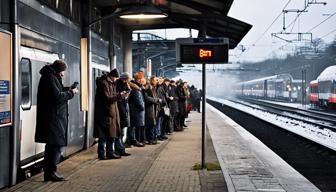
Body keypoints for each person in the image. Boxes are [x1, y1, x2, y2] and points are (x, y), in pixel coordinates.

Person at [35, 60, 78, 182]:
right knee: (56, 145)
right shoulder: (50, 78)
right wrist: (71, 93)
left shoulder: (51, 77)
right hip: (53, 118)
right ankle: (50, 173)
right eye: (63, 71)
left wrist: (68, 88)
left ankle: (49, 172)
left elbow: (56, 92)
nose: (63, 74)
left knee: (52, 145)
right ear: (58, 70)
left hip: (54, 117)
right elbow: (57, 97)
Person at [93, 68, 129, 160]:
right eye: (116, 78)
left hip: (111, 113)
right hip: (105, 114)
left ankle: (110, 153)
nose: (117, 80)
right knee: (103, 136)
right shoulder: (103, 84)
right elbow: (107, 98)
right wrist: (119, 95)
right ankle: (102, 154)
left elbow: (112, 97)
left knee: (111, 135)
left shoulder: (111, 83)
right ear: (112, 77)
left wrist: (120, 95)